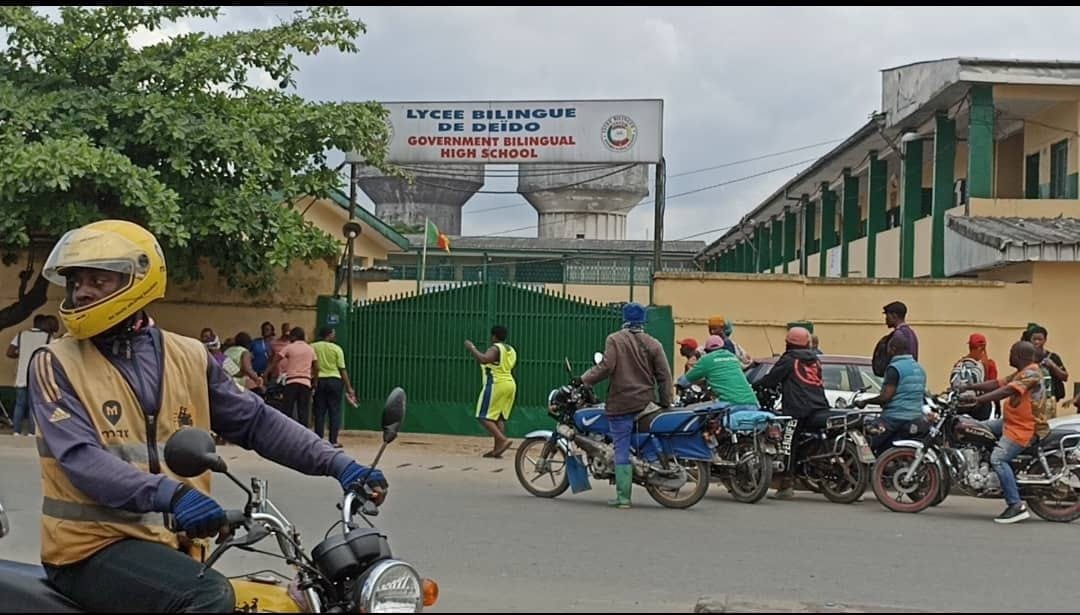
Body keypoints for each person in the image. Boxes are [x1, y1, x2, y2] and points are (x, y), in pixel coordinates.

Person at [28, 219, 387, 612]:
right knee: (208, 596)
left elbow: (256, 422)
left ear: (140, 280)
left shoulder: (190, 356)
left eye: (99, 280)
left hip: (172, 547)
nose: (82, 293)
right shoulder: (54, 363)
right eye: (76, 281)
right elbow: (81, 458)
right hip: (89, 550)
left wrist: (340, 465)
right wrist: (173, 494)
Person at [580, 302, 672, 509]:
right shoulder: (653, 343)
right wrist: (666, 402)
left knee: (620, 446)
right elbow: (664, 375)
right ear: (643, 322)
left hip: (621, 402)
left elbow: (605, 367)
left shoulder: (615, 339)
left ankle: (623, 497)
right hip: (646, 403)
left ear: (624, 319)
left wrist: (585, 379)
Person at [956, 341, 1049, 524]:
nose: (1009, 356)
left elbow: (1006, 390)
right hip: (1011, 422)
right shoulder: (1021, 372)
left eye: (1011, 353)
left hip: (1025, 428)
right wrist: (968, 387)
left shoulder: (1031, 373)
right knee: (979, 427)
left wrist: (979, 400)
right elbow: (997, 383)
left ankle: (1015, 505)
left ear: (1019, 356)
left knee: (998, 458)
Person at [750, 326, 830, 499]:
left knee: (788, 442)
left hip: (798, 410)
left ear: (788, 343)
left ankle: (786, 483)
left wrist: (755, 386)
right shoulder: (815, 360)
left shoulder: (789, 359)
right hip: (820, 405)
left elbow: (771, 379)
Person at [856, 335, 928, 455]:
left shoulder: (894, 368)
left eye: (889, 348)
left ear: (893, 349)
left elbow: (886, 397)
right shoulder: (919, 368)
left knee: (866, 440)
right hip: (915, 418)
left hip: (894, 418)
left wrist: (865, 401)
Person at [465, 324, 517, 459]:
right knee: (498, 417)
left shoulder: (496, 348)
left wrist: (472, 348)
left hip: (496, 384)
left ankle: (502, 440)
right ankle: (497, 449)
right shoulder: (510, 350)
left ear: (493, 336)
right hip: (510, 384)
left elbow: (484, 359)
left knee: (482, 416)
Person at [679, 335, 758, 407]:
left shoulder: (706, 360)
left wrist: (678, 383)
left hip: (730, 405)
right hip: (752, 403)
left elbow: (684, 381)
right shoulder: (732, 357)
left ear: (706, 351)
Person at [6, 314, 53, 436]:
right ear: (42, 324)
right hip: (38, 375)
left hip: (22, 375)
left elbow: (9, 352)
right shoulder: (48, 337)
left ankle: (16, 431)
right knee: (34, 405)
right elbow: (52, 355)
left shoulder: (21, 335)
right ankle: (32, 432)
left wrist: (21, 354)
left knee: (19, 404)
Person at [311, 326, 356, 448]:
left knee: (319, 411)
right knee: (334, 411)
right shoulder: (337, 349)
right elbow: (342, 370)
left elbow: (311, 364)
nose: (335, 336)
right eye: (333, 333)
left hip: (319, 380)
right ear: (329, 335)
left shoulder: (313, 347)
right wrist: (349, 388)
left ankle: (318, 440)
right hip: (335, 381)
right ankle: (333, 440)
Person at [267, 327, 318, 427]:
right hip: (305, 383)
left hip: (291, 382)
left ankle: (287, 433)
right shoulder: (310, 349)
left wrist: (266, 374)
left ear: (294, 336)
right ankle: (304, 436)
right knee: (303, 411)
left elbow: (275, 360)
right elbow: (316, 367)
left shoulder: (289, 347)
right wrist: (315, 381)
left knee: (287, 410)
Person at [950, 333, 998, 420]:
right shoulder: (988, 364)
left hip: (960, 407)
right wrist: (997, 406)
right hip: (980, 408)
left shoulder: (960, 363)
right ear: (983, 347)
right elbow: (993, 387)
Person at [872, 301, 919, 376]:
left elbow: (894, 361)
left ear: (894, 315)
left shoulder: (898, 335)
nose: (886, 320)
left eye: (887, 316)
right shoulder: (911, 333)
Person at [1028, 325, 1068, 411]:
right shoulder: (1026, 358)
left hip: (1049, 400)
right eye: (1034, 339)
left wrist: (1053, 365)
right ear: (1030, 340)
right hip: (1030, 400)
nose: (1036, 342)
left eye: (1040, 339)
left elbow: (1065, 377)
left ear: (1045, 340)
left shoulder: (1053, 357)